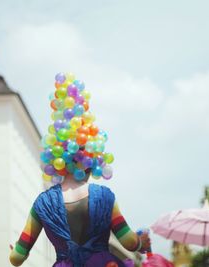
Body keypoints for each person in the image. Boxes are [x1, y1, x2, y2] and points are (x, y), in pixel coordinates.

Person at [8, 73, 151, 266]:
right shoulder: (104, 197)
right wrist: (141, 242)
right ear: (92, 157)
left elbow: (17, 258)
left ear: (57, 159)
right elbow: (128, 241)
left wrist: (14, 252)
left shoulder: (41, 204)